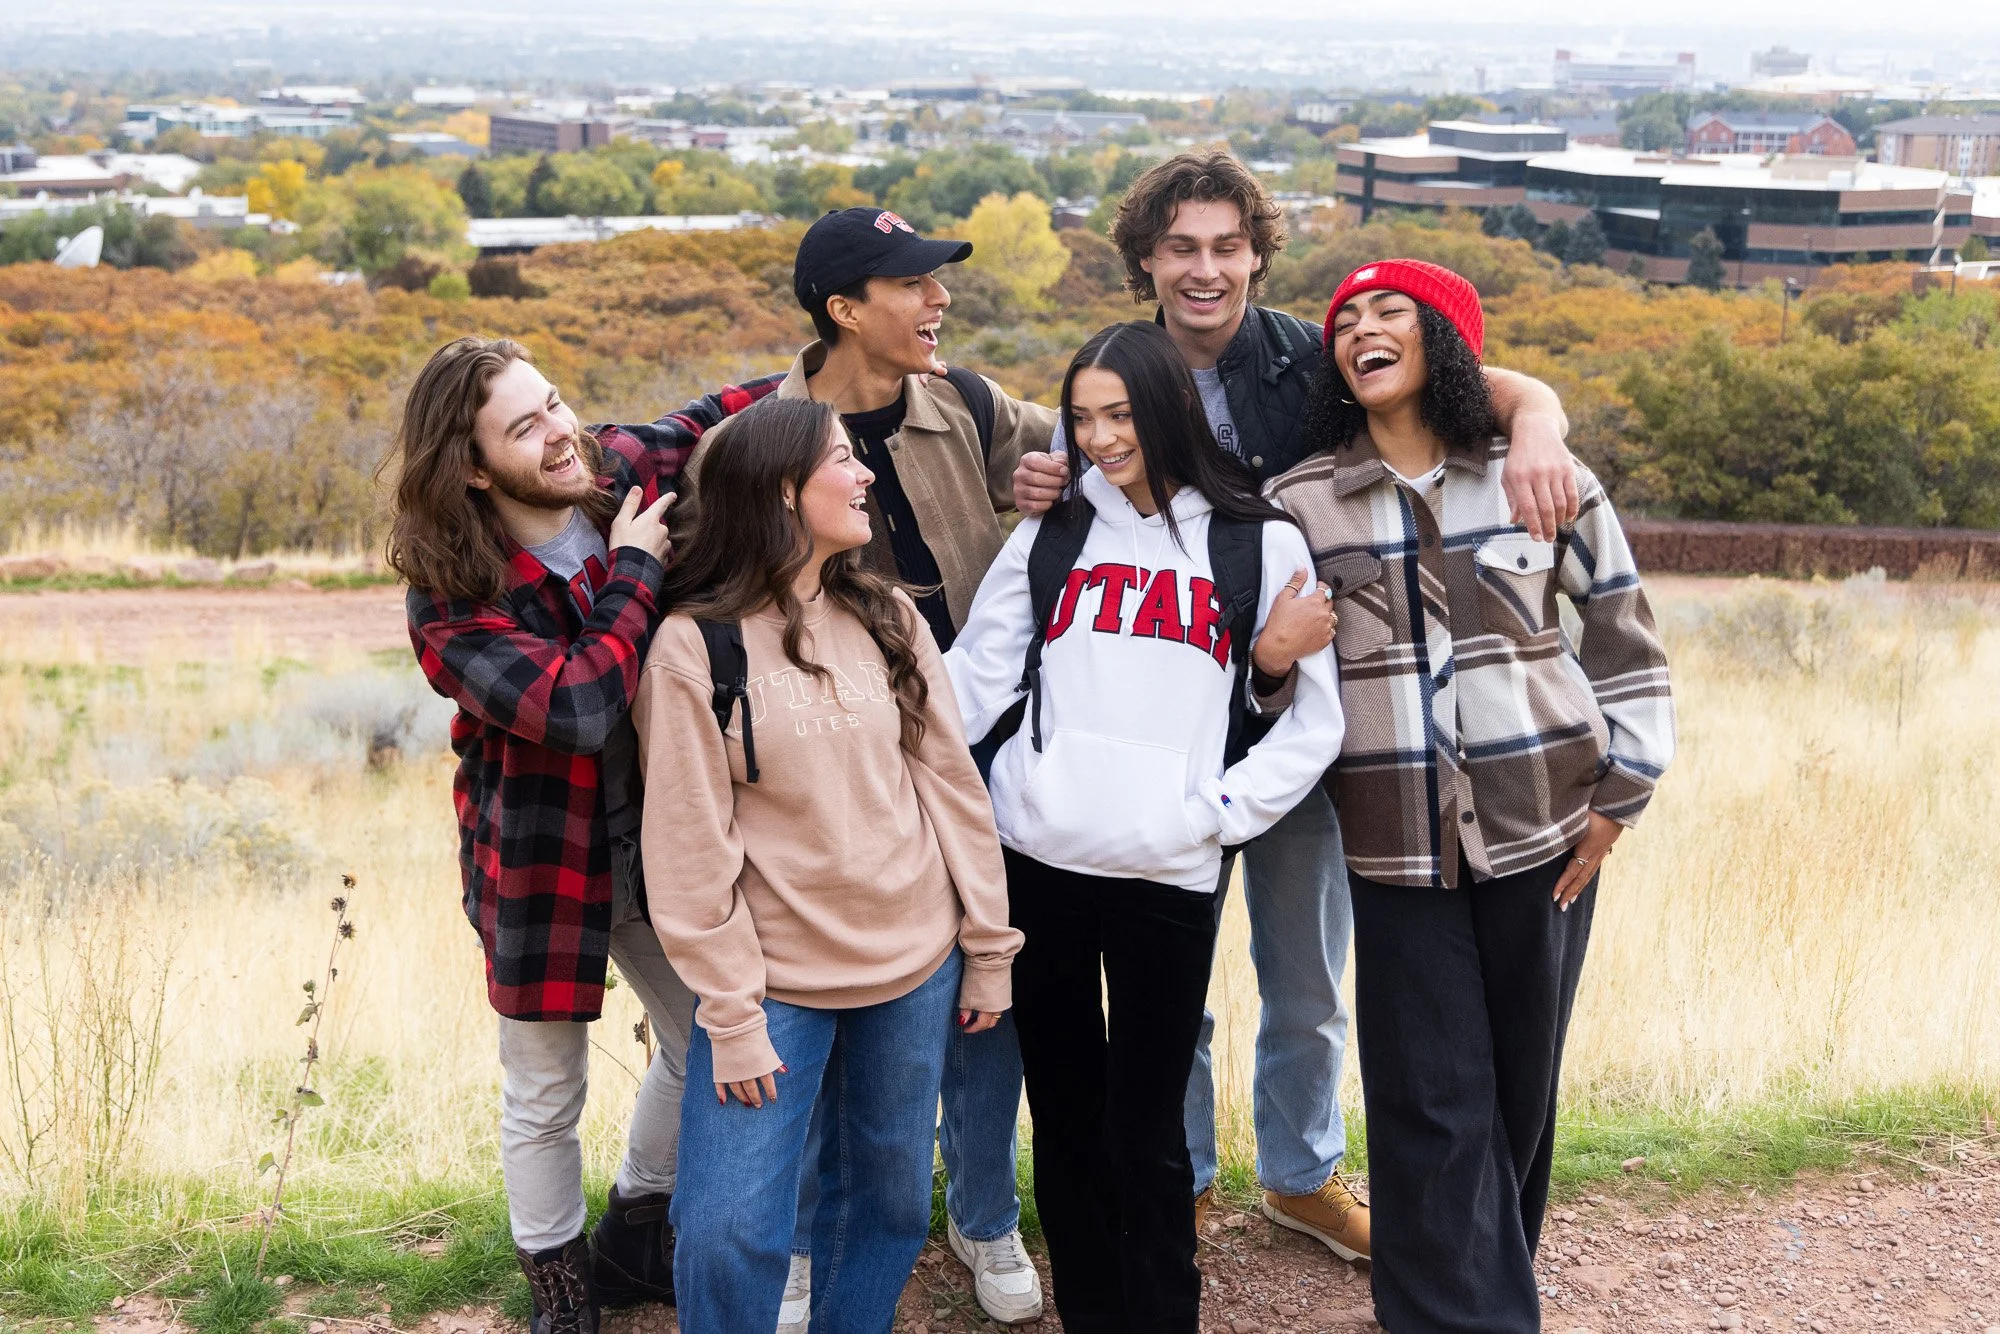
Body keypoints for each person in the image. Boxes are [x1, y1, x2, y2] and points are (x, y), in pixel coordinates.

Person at [1006, 151, 1584, 1258]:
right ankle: (1178, 1173)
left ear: (1257, 253)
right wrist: (1042, 481)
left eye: (1226, 245)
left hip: (1300, 725)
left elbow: (1448, 368)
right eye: (1180, 247)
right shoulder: (1112, 372)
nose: (1204, 268)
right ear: (1143, 259)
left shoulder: (1306, 360)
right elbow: (1073, 510)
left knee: (1304, 971)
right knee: (1167, 978)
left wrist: (1543, 413)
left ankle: (1301, 1170)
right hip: (1155, 729)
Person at [1263, 259, 1675, 1332]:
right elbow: (1270, 684)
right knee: (1429, 1099)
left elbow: (1623, 636)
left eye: (1388, 310)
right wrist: (1265, 663)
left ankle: (1482, 1277)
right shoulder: (1298, 503)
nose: (1360, 328)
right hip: (1393, 845)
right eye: (1343, 320)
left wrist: (1620, 793)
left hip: (1546, 825)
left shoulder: (1541, 476)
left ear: (1445, 338)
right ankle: (1455, 1313)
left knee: (1517, 1085)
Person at [679, 206, 1056, 1327]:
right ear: (845, 307)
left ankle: (980, 1211)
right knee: (815, 1065)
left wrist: (1049, 478)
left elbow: (1112, 429)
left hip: (966, 741)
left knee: (977, 1013)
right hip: (813, 759)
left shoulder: (971, 406)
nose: (939, 300)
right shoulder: (753, 442)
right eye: (914, 283)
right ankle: (793, 1243)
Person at [944, 321, 1345, 1333]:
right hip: (1037, 862)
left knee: (1150, 1127)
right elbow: (967, 685)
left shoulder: (1258, 540)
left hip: (1169, 871)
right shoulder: (1054, 533)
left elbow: (1314, 723)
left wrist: (1214, 817)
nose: (1099, 435)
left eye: (1118, 413)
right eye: (1081, 417)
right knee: (1067, 1118)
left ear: (1165, 406)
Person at [393, 336, 775, 1334]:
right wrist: (638, 570)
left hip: (657, 835)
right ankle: (559, 1289)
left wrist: (837, 363)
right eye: (525, 426)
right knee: (544, 1083)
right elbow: (579, 706)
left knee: (707, 1031)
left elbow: (711, 410)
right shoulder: (448, 590)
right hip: (536, 858)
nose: (560, 431)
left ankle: (635, 1223)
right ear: (472, 465)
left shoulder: (616, 475)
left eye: (554, 402)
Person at [632, 394, 1022, 1334]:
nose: (866, 476)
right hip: (774, 986)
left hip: (915, 967)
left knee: (883, 1208)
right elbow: (687, 847)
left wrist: (989, 945)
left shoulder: (890, 614)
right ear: (778, 490)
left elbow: (951, 785)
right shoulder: (696, 647)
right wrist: (729, 1012)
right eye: (844, 460)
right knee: (728, 1224)